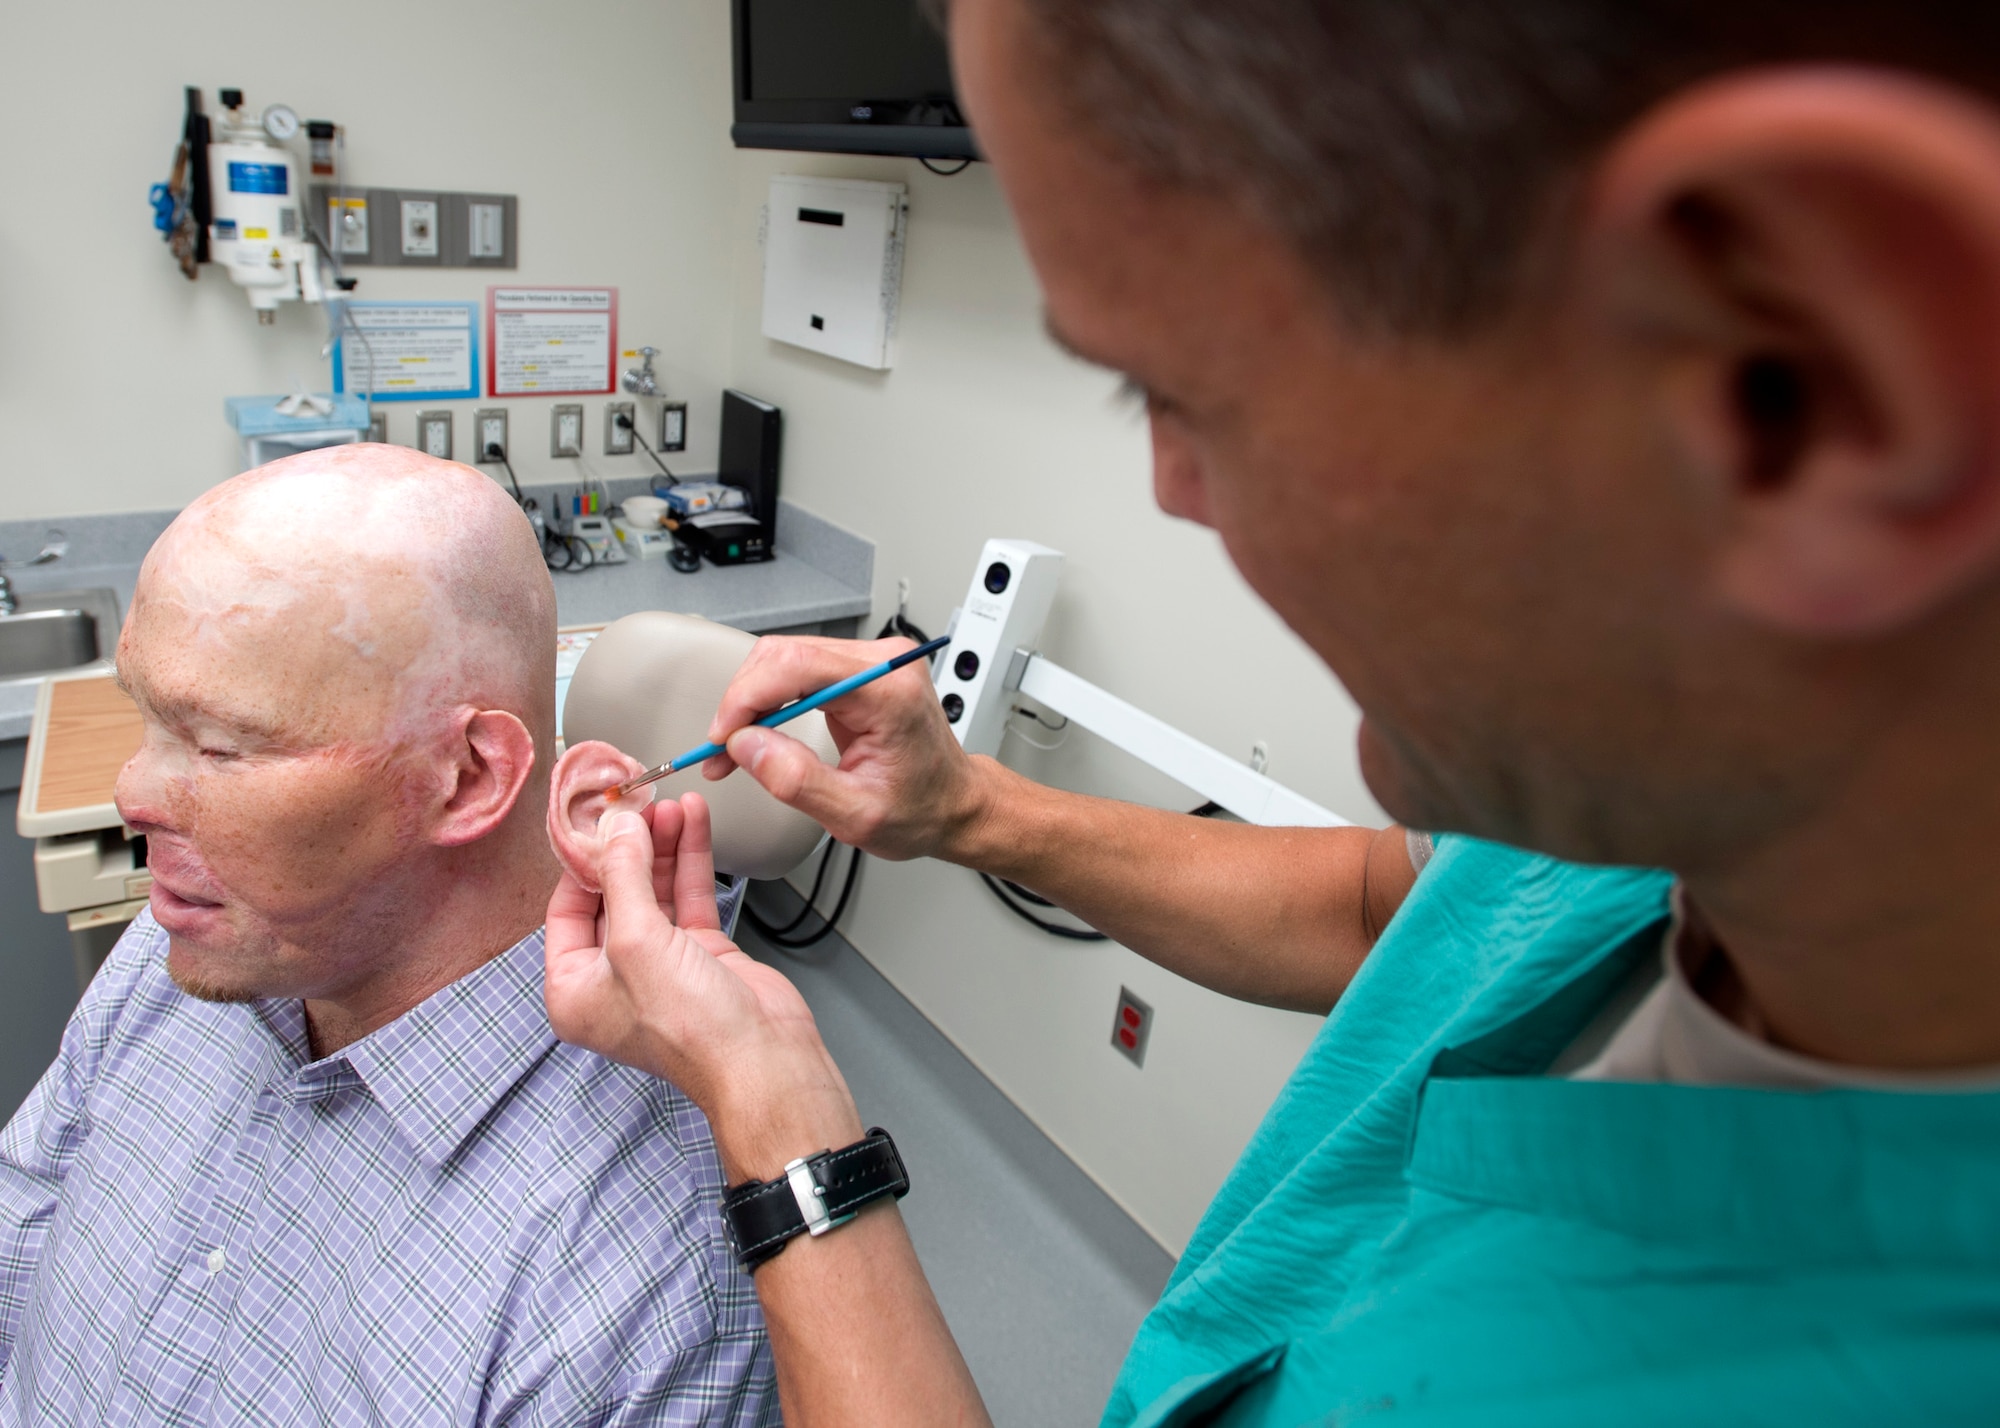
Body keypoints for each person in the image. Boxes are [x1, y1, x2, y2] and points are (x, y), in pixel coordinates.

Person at [547, 0, 2000, 1424]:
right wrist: (971, 811)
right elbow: (1400, 923)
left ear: (1829, 382)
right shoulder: (1661, 778)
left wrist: (779, 1116)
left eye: (1173, 386)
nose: (1175, 490)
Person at [0, 448, 776, 1425]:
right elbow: (27, 1200)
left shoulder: (634, 1289)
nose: (132, 795)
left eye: (218, 745)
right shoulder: (202, 937)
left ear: (466, 778)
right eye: (147, 718)